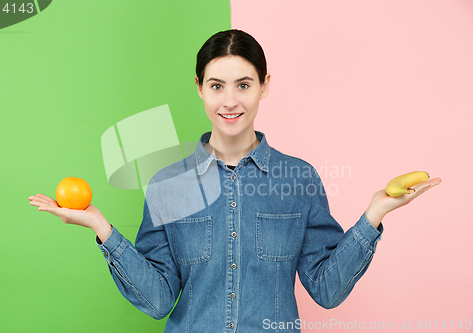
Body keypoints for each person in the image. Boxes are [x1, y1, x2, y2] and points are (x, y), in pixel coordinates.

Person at [29, 29, 441, 332]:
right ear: (199, 89)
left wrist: (375, 214)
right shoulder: (168, 184)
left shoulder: (298, 179)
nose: (230, 101)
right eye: (216, 85)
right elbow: (157, 301)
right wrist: (102, 228)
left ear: (264, 86)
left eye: (243, 85)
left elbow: (327, 290)